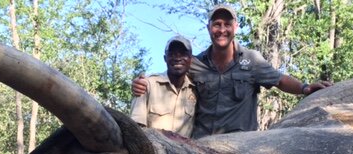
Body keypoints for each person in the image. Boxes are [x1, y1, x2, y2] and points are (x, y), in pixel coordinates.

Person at [132, 4, 332, 138]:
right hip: (202, 146)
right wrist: (144, 83)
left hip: (241, 146)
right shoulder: (195, 63)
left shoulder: (251, 60)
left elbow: (279, 80)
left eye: (227, 24)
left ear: (235, 27)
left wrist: (305, 88)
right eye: (217, 24)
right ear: (209, 27)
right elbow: (172, 73)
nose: (222, 30)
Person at [130, 35, 197, 138]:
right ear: (165, 58)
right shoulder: (147, 85)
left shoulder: (196, 90)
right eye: (172, 54)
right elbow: (136, 129)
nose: (177, 58)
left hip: (184, 152)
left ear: (191, 59)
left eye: (183, 54)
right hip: (153, 150)